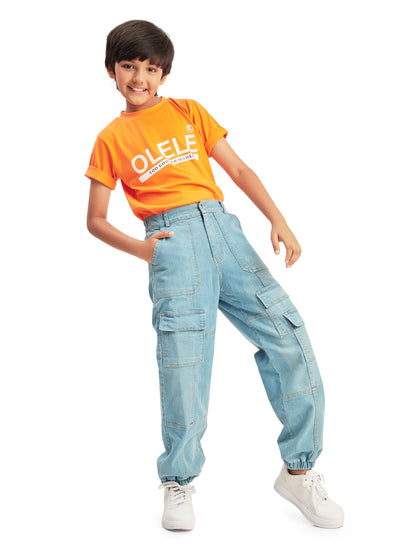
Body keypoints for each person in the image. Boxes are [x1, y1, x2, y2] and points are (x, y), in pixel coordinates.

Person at [85, 19, 344, 531]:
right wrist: (144, 250)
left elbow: (239, 170)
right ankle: (178, 481)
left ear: (164, 75)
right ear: (111, 71)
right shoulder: (110, 138)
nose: (139, 78)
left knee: (289, 336)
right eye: (129, 66)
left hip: (226, 232)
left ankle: (299, 471)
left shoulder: (189, 111)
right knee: (184, 362)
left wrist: (278, 218)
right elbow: (95, 219)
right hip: (173, 245)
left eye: (150, 69)